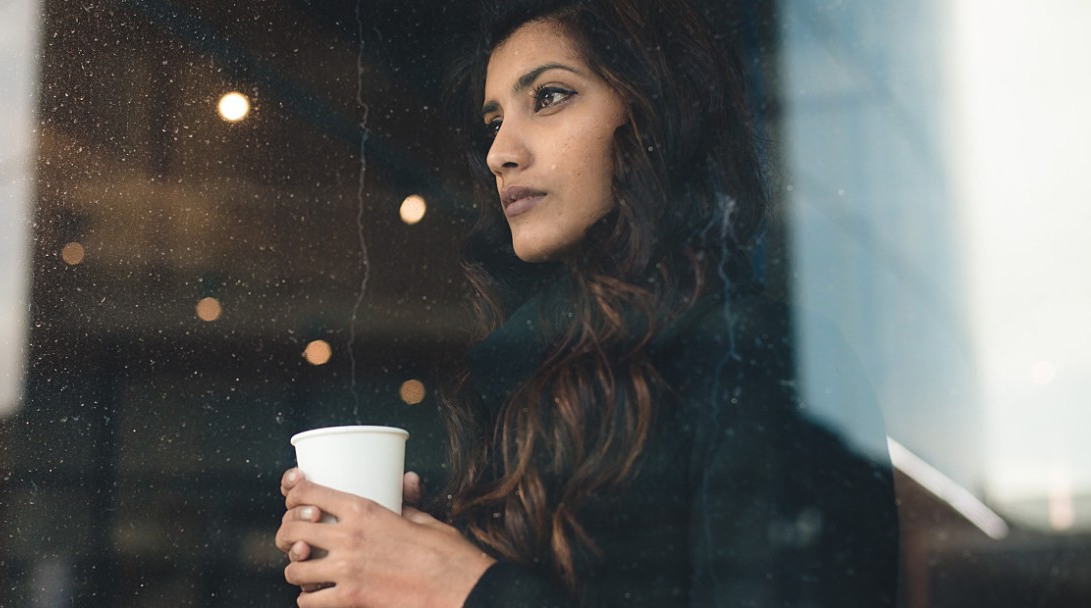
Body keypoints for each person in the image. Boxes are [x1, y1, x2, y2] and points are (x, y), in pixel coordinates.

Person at [275, 0, 900, 606]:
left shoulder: (754, 357)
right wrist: (404, 554)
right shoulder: (522, 387)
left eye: (548, 97)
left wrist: (461, 587)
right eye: (494, 122)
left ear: (655, 111)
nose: (500, 152)